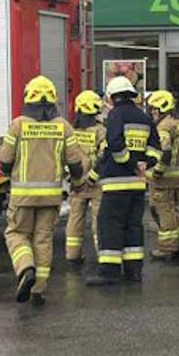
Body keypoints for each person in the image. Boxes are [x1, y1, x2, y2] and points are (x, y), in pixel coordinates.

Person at [0, 75, 85, 306]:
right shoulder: (64, 127)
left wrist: (9, 174)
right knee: (43, 239)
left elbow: (4, 162)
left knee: (16, 234)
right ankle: (38, 289)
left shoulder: (18, 125)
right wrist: (77, 183)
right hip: (51, 197)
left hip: (22, 197)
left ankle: (25, 268)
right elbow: (76, 164)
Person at [87, 74, 159, 285]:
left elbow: (115, 144)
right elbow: (156, 148)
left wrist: (130, 163)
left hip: (116, 183)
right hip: (138, 184)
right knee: (133, 226)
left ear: (112, 97)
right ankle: (133, 272)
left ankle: (109, 273)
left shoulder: (116, 115)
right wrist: (146, 163)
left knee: (110, 225)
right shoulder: (144, 117)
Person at [146, 89, 179, 262]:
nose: (152, 112)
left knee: (163, 211)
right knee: (174, 209)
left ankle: (167, 248)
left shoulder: (163, 127)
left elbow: (165, 152)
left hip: (165, 178)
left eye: (154, 109)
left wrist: (157, 172)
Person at [64, 89, 106, 265]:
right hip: (95, 184)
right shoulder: (100, 131)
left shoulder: (71, 131)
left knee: (75, 220)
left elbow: (64, 156)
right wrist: (93, 177)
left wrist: (72, 178)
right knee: (99, 222)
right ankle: (101, 255)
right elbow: (104, 155)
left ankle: (73, 254)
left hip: (77, 183)